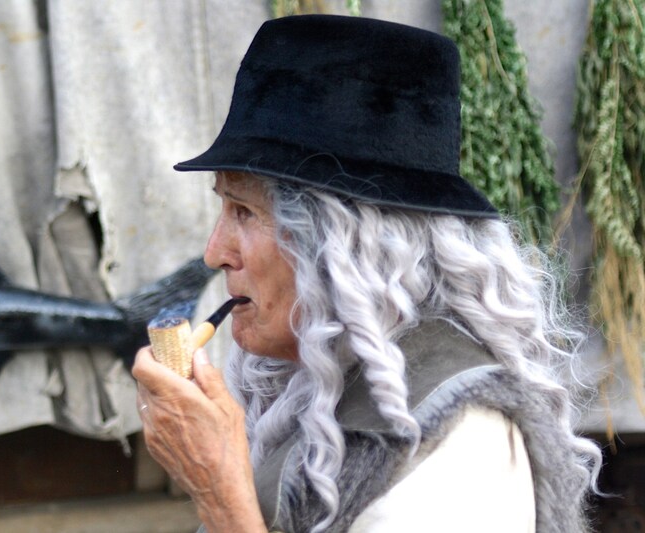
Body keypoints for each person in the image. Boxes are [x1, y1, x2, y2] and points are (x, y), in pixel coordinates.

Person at [133, 14, 601, 533]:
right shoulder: (314, 382)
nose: (214, 252)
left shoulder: (460, 431)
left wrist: (220, 493)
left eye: (243, 212)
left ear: (342, 242)